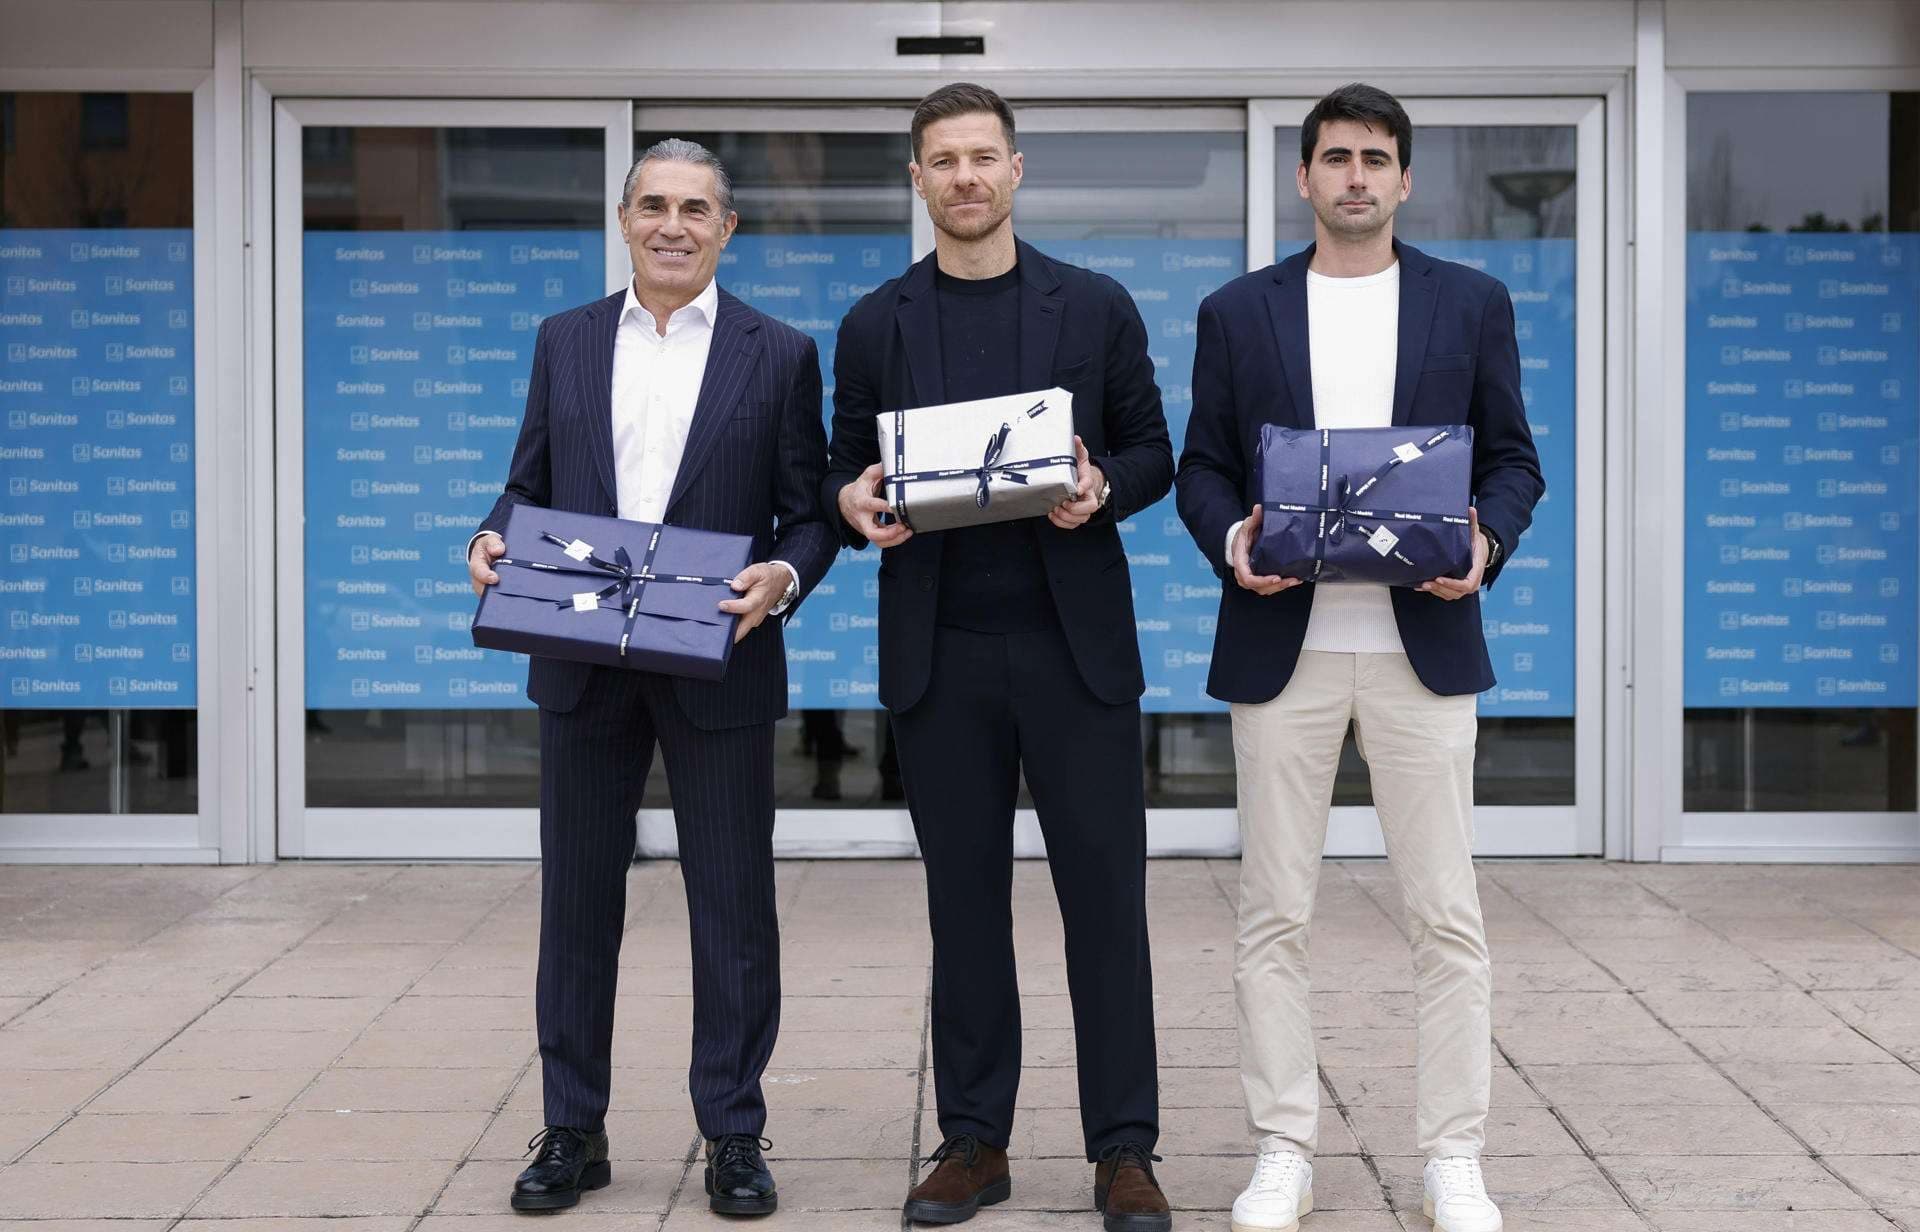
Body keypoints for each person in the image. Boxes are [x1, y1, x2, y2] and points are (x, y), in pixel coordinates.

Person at [1175, 83, 1544, 1232]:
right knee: (1272, 916)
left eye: (1376, 158)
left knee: (1447, 915)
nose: (1355, 177)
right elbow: (1202, 468)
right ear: (1303, 177)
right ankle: (1283, 1145)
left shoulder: (1470, 302)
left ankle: (1454, 1157)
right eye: (1335, 157)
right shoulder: (1239, 312)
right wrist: (1236, 540)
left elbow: (1515, 463)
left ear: (1405, 178)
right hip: (1283, 649)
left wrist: (1484, 540)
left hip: (1419, 646)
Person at [823, 82, 1176, 1232]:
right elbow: (843, 471)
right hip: (940, 654)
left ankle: (1125, 1148)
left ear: (1017, 169)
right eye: (943, 160)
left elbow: (1151, 449)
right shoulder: (877, 323)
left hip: (1074, 651)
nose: (966, 177)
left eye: (984, 156)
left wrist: (1101, 486)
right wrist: (852, 500)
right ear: (918, 180)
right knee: (962, 903)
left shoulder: (1095, 306)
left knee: (1106, 906)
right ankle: (975, 1138)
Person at [467, 138, 837, 1218]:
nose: (673, 224)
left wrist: (785, 572)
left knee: (733, 909)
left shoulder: (781, 353)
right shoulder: (566, 341)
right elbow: (524, 483)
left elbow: (807, 513)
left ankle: (733, 1132)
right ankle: (572, 1128)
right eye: (654, 205)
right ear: (624, 220)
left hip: (719, 658)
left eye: (696, 208)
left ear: (728, 230)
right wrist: (488, 542)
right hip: (581, 664)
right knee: (578, 907)